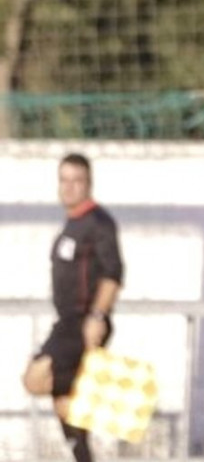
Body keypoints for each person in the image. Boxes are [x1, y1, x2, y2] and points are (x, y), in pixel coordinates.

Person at [21, 153, 124, 462]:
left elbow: (113, 273)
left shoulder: (98, 222)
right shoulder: (72, 223)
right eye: (64, 180)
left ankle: (98, 394)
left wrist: (97, 315)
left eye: (76, 181)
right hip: (65, 322)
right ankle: (82, 451)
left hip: (82, 323)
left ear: (88, 184)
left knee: (36, 378)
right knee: (62, 398)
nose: (69, 187)